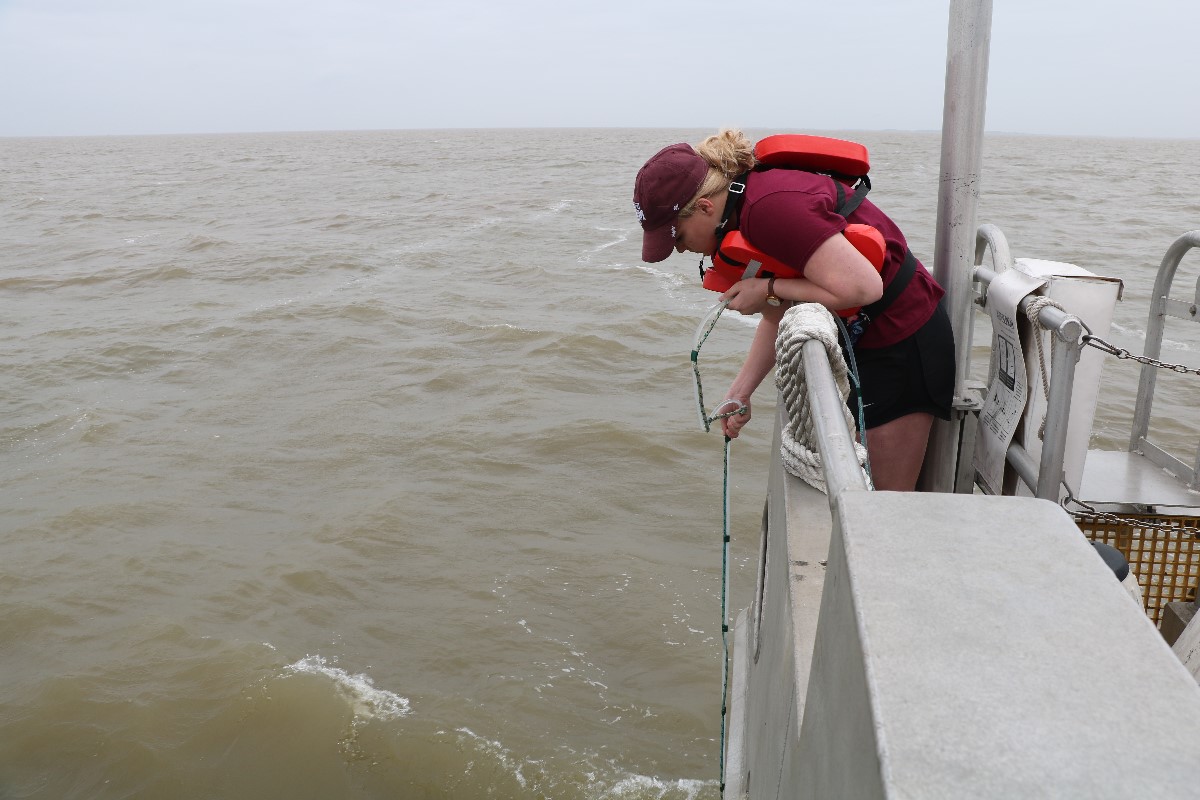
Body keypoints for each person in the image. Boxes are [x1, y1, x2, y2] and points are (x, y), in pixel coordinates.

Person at [631, 129, 954, 491]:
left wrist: (766, 288)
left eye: (678, 237)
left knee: (882, 508)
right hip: (868, 340)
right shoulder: (744, 205)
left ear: (706, 207)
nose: (680, 250)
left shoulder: (770, 209)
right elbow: (782, 312)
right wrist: (740, 391)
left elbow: (863, 287)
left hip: (903, 344)